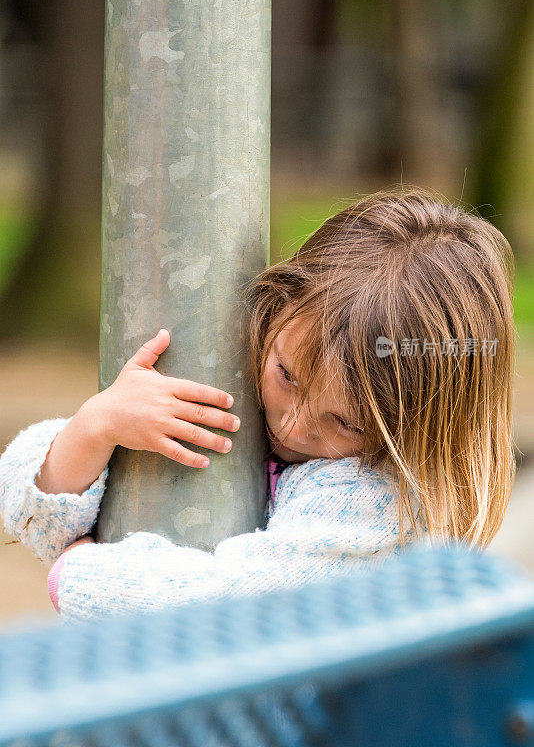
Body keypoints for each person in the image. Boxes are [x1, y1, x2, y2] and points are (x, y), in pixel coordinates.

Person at [0, 188, 516, 623]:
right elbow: (28, 510)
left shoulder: (377, 505)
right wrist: (97, 425)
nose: (291, 427)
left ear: (420, 425)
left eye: (344, 421)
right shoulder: (236, 374)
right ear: (277, 303)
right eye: (287, 376)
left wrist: (80, 574)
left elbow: (228, 614)